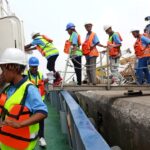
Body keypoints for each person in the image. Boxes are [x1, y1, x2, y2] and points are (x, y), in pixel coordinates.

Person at [0, 48, 48, 150]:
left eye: (3, 70)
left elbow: (42, 112)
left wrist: (19, 124)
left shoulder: (29, 89)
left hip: (21, 146)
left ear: (14, 68)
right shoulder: (8, 88)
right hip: (6, 144)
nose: (2, 73)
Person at [26, 56, 48, 147]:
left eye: (36, 66)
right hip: (29, 102)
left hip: (40, 101)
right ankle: (31, 134)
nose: (34, 68)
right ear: (29, 66)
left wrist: (46, 81)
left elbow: (45, 82)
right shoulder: (25, 75)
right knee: (30, 118)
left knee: (40, 120)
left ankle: (41, 138)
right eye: (33, 67)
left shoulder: (41, 74)